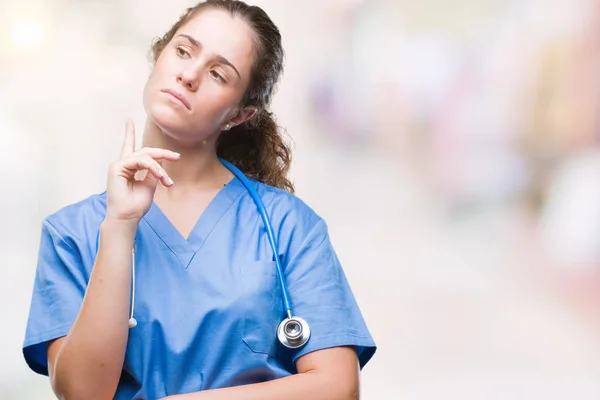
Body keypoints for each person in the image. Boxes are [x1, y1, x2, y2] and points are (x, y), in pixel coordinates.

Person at [22, 1, 376, 399]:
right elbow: (84, 394)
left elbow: (336, 387)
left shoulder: (288, 227)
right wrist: (120, 228)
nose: (189, 75)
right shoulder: (72, 233)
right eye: (184, 51)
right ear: (159, 55)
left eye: (218, 74)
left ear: (239, 115)